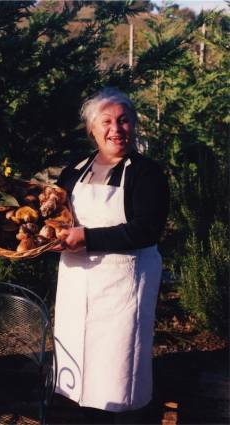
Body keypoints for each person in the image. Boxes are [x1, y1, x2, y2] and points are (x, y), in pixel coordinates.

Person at [52, 87, 170, 423]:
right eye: (106, 121)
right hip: (77, 283)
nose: (115, 129)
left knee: (118, 373)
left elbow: (146, 230)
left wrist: (86, 238)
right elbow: (54, 221)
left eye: (124, 120)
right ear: (92, 129)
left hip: (123, 286)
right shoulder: (75, 170)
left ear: (134, 125)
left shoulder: (147, 173)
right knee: (79, 372)